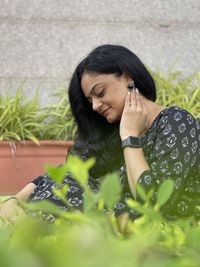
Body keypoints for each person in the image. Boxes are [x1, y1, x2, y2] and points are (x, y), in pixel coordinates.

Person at [1, 44, 200, 224]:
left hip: (154, 229)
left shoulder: (177, 120)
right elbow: (69, 174)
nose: (95, 106)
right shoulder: (117, 130)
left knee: (63, 204)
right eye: (90, 100)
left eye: (100, 92)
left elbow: (155, 204)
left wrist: (131, 137)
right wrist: (15, 199)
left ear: (128, 78)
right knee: (63, 182)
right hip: (122, 221)